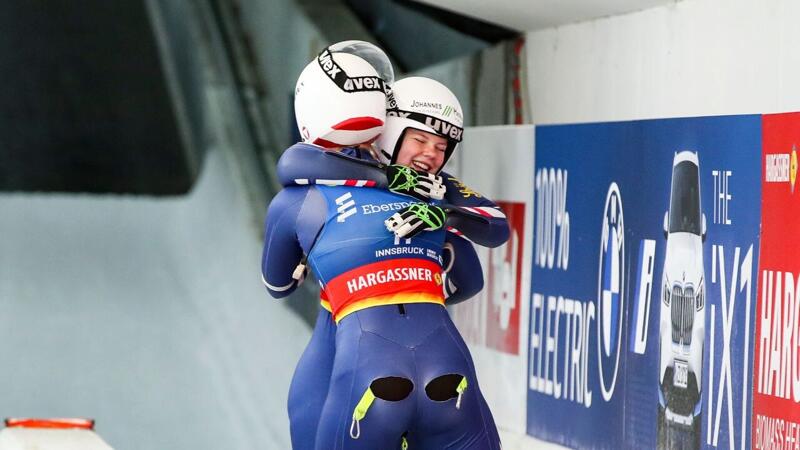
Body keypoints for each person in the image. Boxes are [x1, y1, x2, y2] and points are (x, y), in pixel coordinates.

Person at [264, 44, 504, 449]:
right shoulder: (428, 199)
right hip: (444, 361)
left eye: (441, 146)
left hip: (363, 359)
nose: (431, 154)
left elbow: (277, 284)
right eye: (422, 139)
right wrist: (417, 271)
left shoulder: (300, 195)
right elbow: (473, 275)